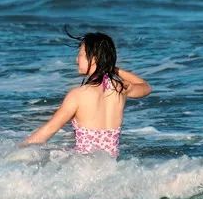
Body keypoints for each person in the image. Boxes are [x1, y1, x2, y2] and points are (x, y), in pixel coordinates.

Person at [22, 30, 151, 158]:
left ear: (94, 58)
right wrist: (113, 69)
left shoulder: (78, 95)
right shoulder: (120, 89)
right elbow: (146, 87)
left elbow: (50, 129)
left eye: (80, 54)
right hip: (110, 165)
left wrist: (18, 151)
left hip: (84, 168)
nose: (76, 59)